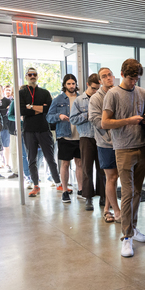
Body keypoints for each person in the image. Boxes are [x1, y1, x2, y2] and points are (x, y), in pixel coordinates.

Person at [102, 59, 145, 257]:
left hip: (142, 147)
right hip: (122, 148)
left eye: (137, 79)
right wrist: (128, 121)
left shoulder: (142, 92)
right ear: (122, 74)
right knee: (128, 193)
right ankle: (126, 236)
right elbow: (105, 123)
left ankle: (133, 228)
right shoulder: (113, 94)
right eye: (131, 78)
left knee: (139, 192)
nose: (134, 82)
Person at [19, 67, 61, 197]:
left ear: (37, 76)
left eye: (34, 74)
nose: (32, 76)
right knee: (32, 159)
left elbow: (48, 109)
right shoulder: (21, 93)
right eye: (30, 74)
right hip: (29, 130)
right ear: (26, 76)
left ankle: (59, 183)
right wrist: (39, 108)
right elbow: (21, 111)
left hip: (44, 129)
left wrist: (30, 107)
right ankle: (36, 185)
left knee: (50, 158)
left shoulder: (44, 92)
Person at [89, 67, 122, 223]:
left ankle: (107, 208)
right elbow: (97, 122)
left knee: (118, 177)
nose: (108, 78)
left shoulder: (119, 93)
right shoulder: (96, 99)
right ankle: (115, 210)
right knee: (111, 177)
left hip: (123, 142)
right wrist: (118, 123)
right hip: (106, 143)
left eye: (110, 75)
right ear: (100, 81)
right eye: (104, 76)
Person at [70, 73, 107, 211]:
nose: (96, 91)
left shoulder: (103, 98)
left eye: (98, 88)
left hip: (101, 137)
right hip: (86, 137)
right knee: (86, 169)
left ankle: (103, 196)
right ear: (87, 85)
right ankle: (88, 198)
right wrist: (88, 115)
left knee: (102, 168)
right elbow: (73, 119)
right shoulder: (79, 100)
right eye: (93, 88)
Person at [47, 74, 83, 203]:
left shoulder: (81, 98)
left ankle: (81, 189)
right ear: (64, 85)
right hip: (64, 136)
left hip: (79, 135)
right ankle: (65, 191)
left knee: (80, 163)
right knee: (65, 164)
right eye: (69, 84)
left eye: (73, 83)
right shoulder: (58, 99)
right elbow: (49, 117)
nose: (71, 86)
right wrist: (59, 116)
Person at [0, 84, 12, 171]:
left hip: (5, 126)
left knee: (6, 145)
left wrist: (3, 111)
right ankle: (0, 162)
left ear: (2, 90)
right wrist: (4, 110)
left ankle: (7, 163)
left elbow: (8, 112)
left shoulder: (7, 101)